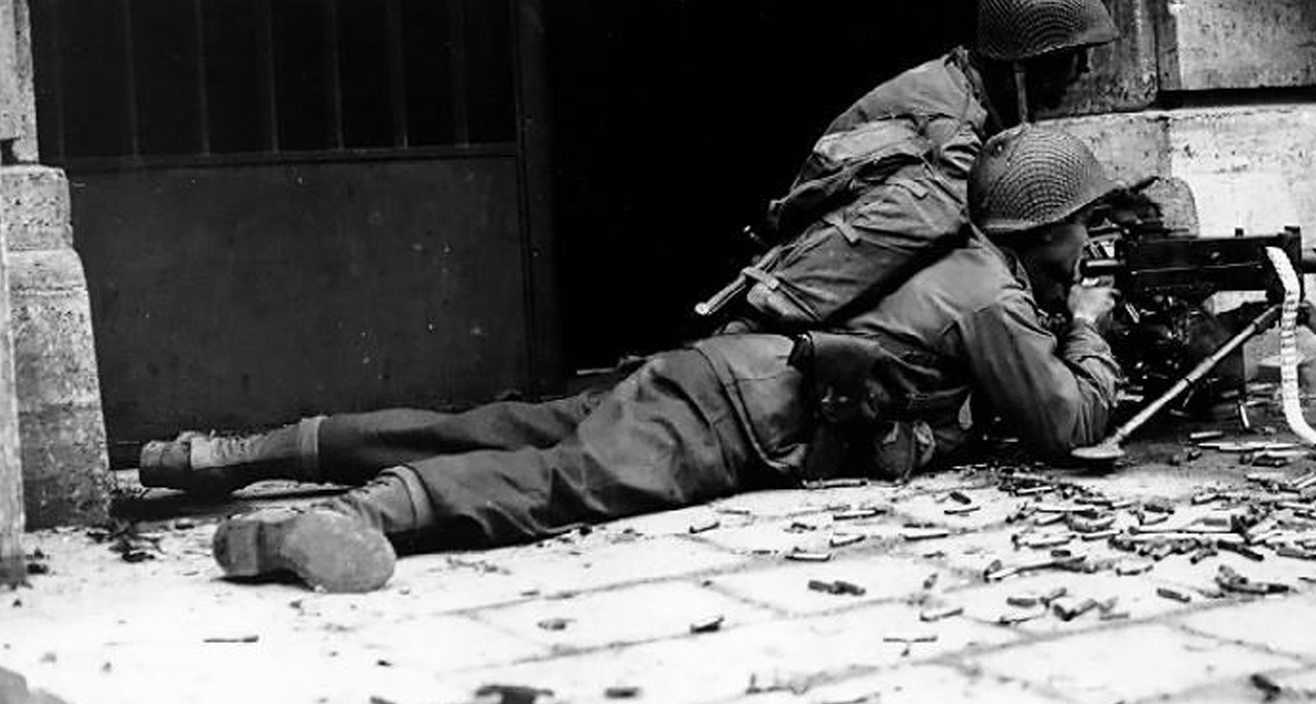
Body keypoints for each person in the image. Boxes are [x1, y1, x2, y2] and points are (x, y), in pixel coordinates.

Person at [142, 126, 1124, 594]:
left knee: (491, 427)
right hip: (738, 416)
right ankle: (351, 518)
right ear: (1045, 230)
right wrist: (1088, 322)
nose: (1090, 241)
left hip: (721, 372)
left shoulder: (962, 259)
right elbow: (1072, 424)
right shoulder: (995, 294)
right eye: (1084, 226)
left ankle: (230, 454)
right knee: (559, 483)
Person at [698, 0, 1119, 328]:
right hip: (808, 301)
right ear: (1027, 66)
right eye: (1072, 57)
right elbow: (984, 261)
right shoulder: (952, 140)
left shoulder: (962, 85)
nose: (1084, 70)